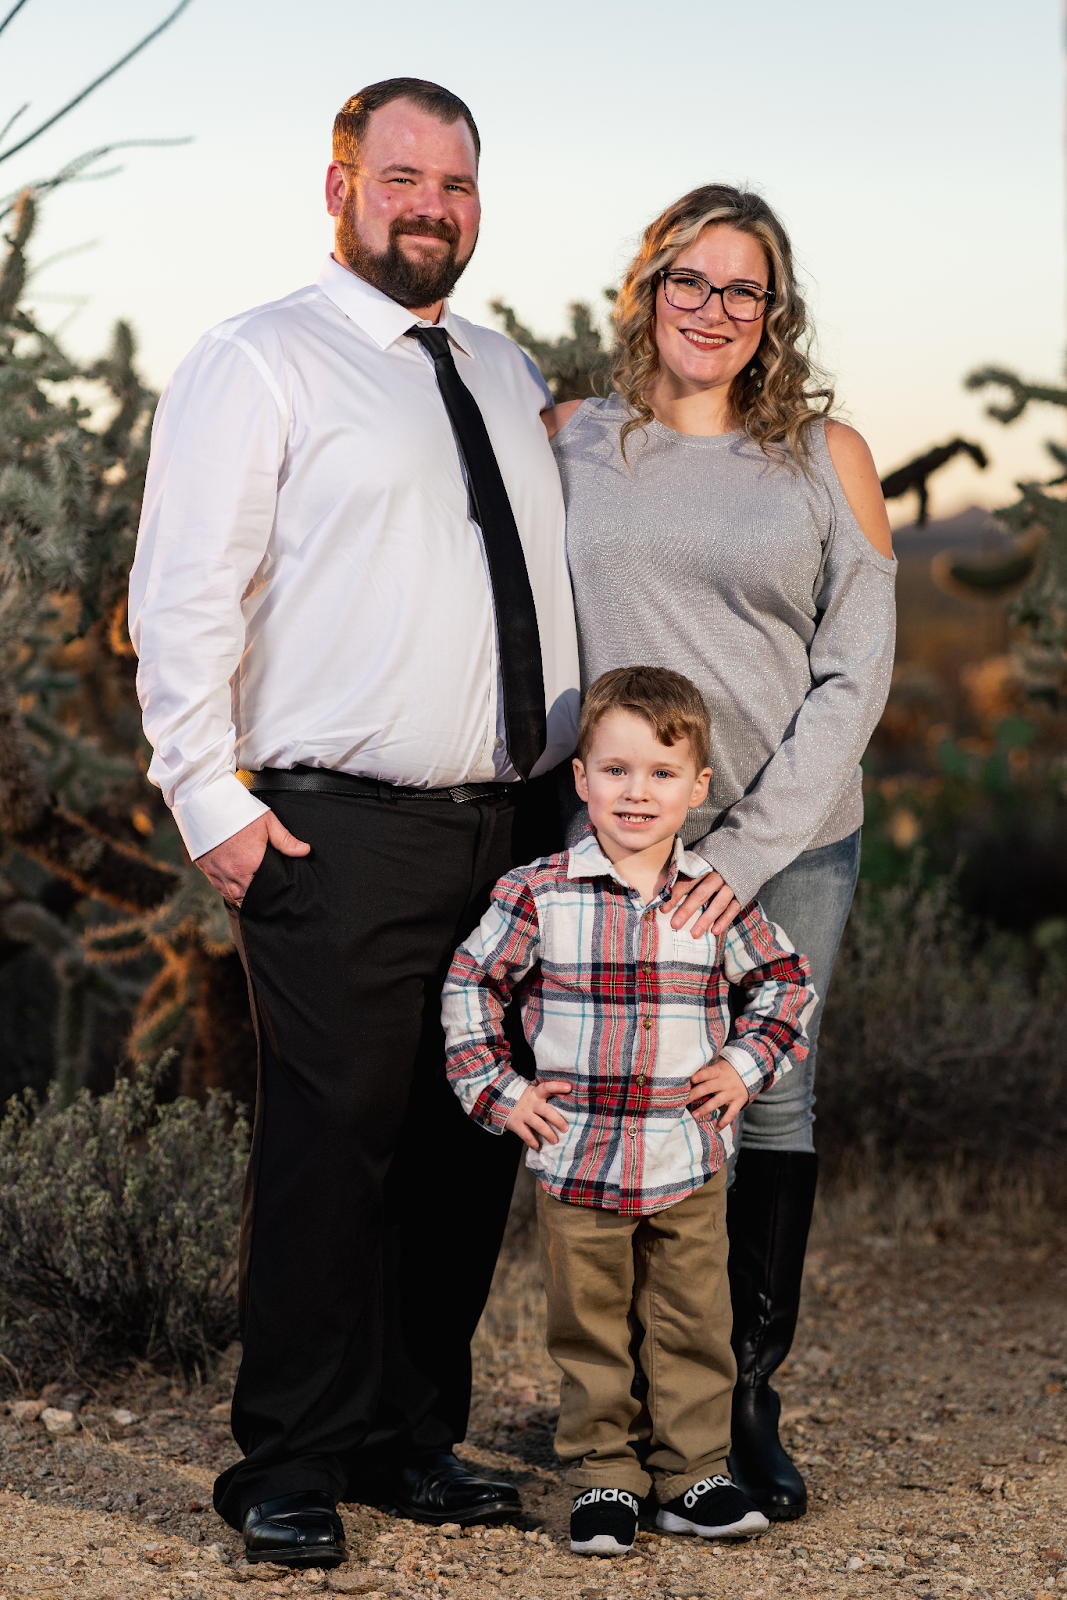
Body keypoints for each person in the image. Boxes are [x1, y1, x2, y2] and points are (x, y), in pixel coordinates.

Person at [129, 78, 580, 1568]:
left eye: (453, 182)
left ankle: (405, 1436)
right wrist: (211, 801)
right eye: (400, 176)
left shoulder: (508, 373)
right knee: (337, 1139)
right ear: (338, 189)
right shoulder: (260, 360)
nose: (429, 205)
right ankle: (290, 1460)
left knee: (468, 1139)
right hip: (333, 826)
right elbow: (183, 590)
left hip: (512, 823)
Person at [542, 185, 896, 1522]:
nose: (710, 308)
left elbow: (852, 677)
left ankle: (743, 1398)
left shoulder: (824, 455)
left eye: (740, 290)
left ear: (772, 316)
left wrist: (742, 855)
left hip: (792, 839)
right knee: (621, 1104)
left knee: (765, 1101)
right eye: (687, 281)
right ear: (645, 290)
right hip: (613, 844)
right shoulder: (573, 438)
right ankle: (628, 1405)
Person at [442, 667, 816, 1555]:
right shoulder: (537, 892)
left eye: (658, 773)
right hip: (576, 1161)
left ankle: (693, 1476)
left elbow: (785, 987)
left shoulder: (713, 900)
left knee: (695, 1324)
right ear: (580, 780)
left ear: (697, 789)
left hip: (685, 1158)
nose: (635, 792)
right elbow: (470, 986)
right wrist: (501, 1093)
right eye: (614, 770)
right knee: (590, 1329)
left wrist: (741, 1067)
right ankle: (603, 1478)